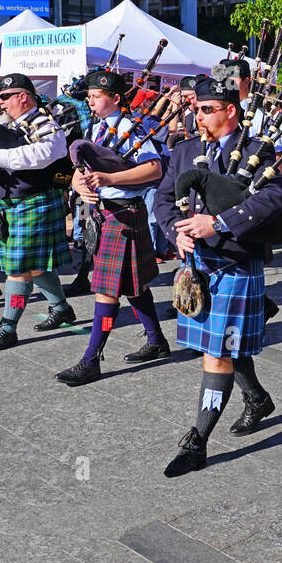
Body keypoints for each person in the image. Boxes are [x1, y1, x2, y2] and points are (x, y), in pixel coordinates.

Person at [156, 76, 282, 476]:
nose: (199, 115)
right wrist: (175, 232)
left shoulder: (258, 151)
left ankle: (197, 442)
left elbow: (274, 197)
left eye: (207, 108)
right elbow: (163, 198)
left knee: (217, 353)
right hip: (195, 266)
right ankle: (258, 398)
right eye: (196, 108)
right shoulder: (184, 151)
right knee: (223, 346)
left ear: (231, 109)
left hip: (234, 261)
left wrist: (220, 223)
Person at [54, 69, 171, 386]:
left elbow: (154, 168)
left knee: (106, 292)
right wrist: (79, 182)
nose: (90, 101)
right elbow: (83, 167)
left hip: (124, 214)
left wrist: (109, 179)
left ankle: (91, 360)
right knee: (134, 287)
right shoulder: (97, 126)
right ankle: (157, 340)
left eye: (96, 96)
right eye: (89, 96)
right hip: (103, 213)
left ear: (116, 98)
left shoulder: (131, 128)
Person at [0, 73, 76, 352]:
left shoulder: (43, 121)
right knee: (34, 266)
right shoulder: (3, 124)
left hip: (34, 200)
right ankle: (61, 308)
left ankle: (8, 326)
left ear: (22, 97)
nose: (0, 103)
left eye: (4, 97)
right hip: (6, 203)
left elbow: (50, 152)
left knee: (18, 270)